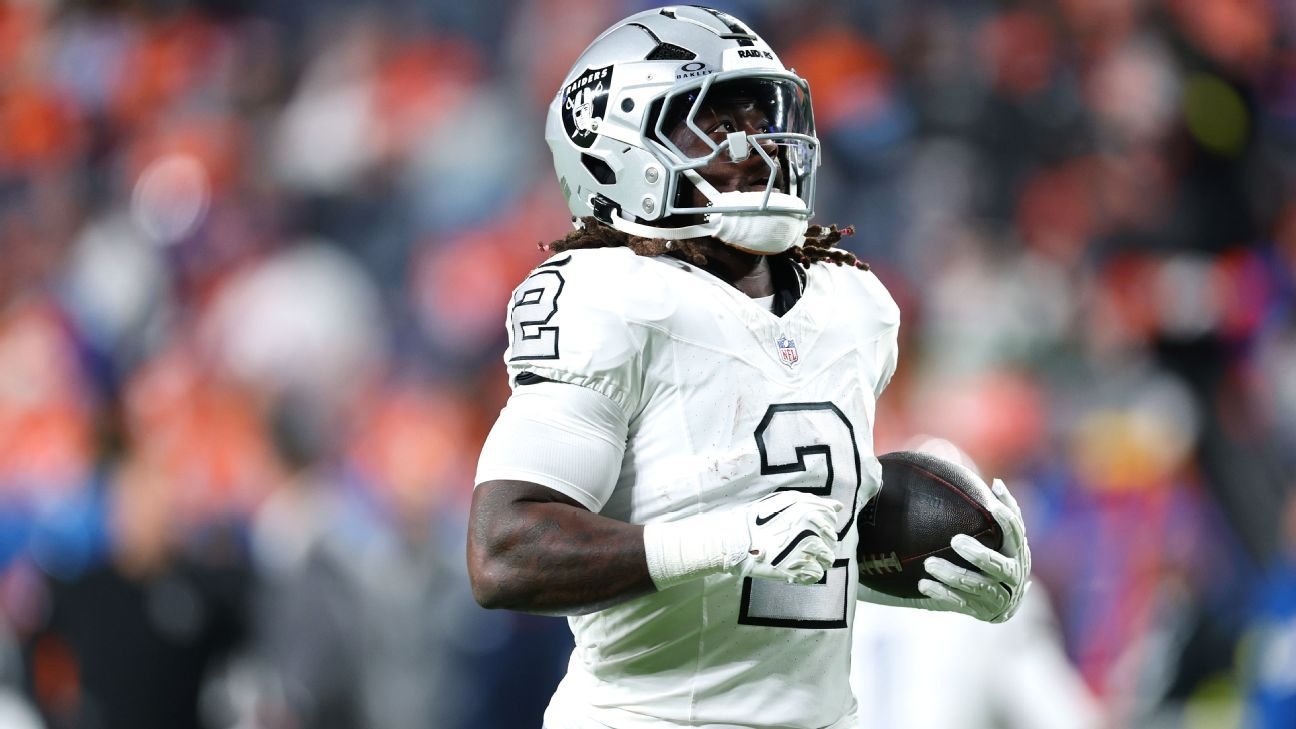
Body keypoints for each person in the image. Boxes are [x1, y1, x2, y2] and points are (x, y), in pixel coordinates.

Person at [467, 7, 1032, 728]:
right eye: (714, 124)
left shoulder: (851, 305)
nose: (758, 146)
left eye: (762, 118)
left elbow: (794, 555)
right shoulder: (609, 297)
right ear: (617, 153)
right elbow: (505, 552)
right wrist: (731, 539)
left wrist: (950, 569)